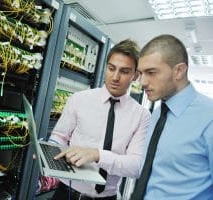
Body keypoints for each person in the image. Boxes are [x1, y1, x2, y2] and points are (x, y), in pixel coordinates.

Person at [49, 39, 151, 200]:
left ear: (135, 76)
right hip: (67, 193)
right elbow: (59, 136)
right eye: (111, 68)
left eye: (124, 71)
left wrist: (98, 155)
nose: (115, 77)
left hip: (107, 197)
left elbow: (136, 166)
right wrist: (49, 151)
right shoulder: (79, 99)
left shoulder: (142, 115)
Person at [131, 34, 213, 199]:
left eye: (151, 72)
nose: (143, 82)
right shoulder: (157, 115)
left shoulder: (209, 118)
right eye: (141, 74)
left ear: (179, 71)